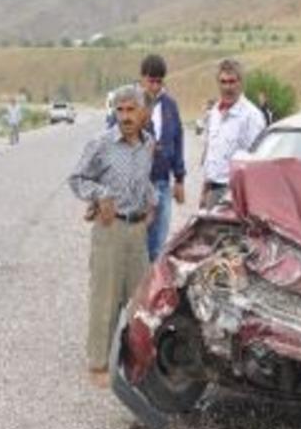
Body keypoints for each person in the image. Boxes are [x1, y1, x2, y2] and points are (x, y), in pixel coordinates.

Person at [69, 84, 156, 389]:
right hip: (110, 229)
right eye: (120, 110)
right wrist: (100, 195)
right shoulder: (101, 143)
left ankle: (135, 361)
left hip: (137, 232)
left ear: (143, 112)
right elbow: (77, 178)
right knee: (104, 297)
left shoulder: (148, 144)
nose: (125, 116)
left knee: (139, 302)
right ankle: (98, 363)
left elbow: (144, 181)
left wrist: (152, 204)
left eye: (131, 109)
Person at [106, 55, 186, 262]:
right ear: (141, 78)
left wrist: (179, 179)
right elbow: (111, 142)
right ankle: (128, 290)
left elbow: (178, 139)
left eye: (160, 81)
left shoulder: (170, 106)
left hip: (162, 183)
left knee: (157, 245)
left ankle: (149, 292)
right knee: (133, 244)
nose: (156, 86)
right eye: (151, 80)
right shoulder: (126, 105)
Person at [200, 59, 265, 208]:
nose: (227, 87)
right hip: (212, 191)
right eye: (223, 82)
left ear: (240, 83)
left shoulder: (252, 116)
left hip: (235, 194)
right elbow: (211, 154)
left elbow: (257, 161)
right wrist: (204, 192)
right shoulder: (214, 113)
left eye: (232, 82)